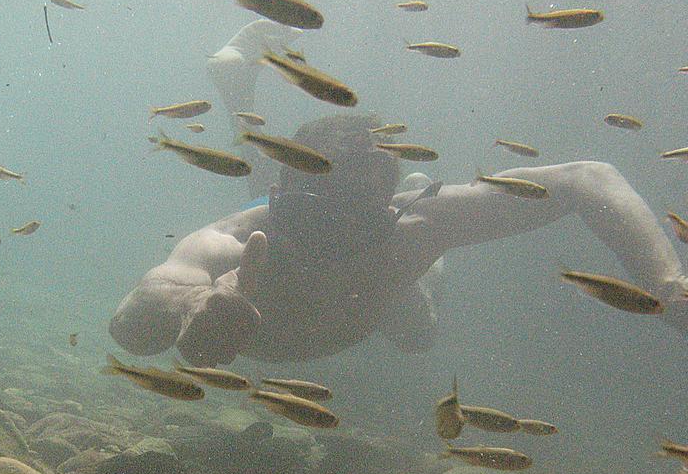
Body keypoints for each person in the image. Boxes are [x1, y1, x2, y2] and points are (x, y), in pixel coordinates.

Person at [109, 21, 688, 367]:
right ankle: (235, 86)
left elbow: (591, 177)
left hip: (346, 234)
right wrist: (189, 308)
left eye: (350, 211)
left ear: (385, 205)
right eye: (320, 209)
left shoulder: (415, 226)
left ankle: (235, 84)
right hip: (296, 220)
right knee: (299, 205)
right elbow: (134, 326)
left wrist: (668, 285)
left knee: (417, 337)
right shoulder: (232, 245)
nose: (330, 234)